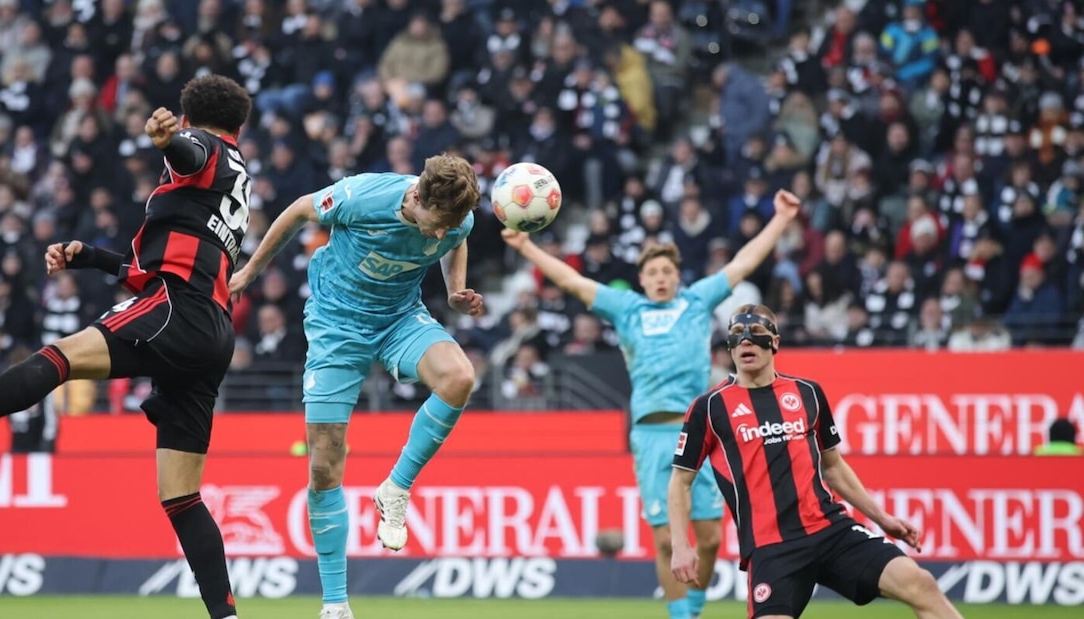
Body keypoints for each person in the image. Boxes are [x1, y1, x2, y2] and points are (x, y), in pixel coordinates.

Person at [0, 75, 254, 619]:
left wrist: (169, 142)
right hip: (213, 330)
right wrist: (89, 257)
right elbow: (151, 261)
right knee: (182, 498)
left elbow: (190, 154)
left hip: (175, 307)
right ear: (241, 127)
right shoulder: (238, 175)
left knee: (61, 357)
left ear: (189, 119)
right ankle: (227, 617)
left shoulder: (202, 147)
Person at [502, 189, 803, 619]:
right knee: (665, 540)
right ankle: (683, 617)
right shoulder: (627, 308)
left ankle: (692, 608)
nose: (660, 278)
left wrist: (781, 219)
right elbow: (573, 282)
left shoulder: (696, 301)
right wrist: (526, 246)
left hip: (701, 432)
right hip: (651, 435)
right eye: (653, 272)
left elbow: (743, 263)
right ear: (642, 279)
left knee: (711, 539)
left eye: (667, 271)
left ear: (677, 276)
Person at [229, 155, 484, 619]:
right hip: (336, 327)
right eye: (436, 225)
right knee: (324, 465)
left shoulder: (454, 220)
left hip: (399, 319)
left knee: (460, 377)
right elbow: (299, 210)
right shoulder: (363, 196)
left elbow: (456, 239)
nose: (439, 235)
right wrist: (249, 271)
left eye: (450, 226)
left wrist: (455, 290)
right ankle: (335, 605)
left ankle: (396, 489)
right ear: (416, 197)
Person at [670, 304, 965, 619]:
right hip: (772, 547)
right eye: (737, 335)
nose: (746, 341)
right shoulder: (709, 408)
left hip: (829, 530)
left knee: (920, 584)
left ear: (775, 342)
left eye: (756, 333)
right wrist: (680, 545)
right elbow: (680, 482)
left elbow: (833, 467)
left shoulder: (807, 392)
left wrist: (882, 518)